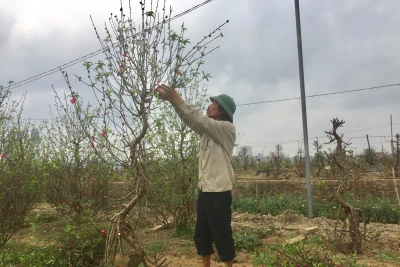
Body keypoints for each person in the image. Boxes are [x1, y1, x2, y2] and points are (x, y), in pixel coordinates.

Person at [157, 84, 236, 267]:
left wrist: (177, 98)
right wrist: (173, 102)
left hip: (219, 191)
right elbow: (191, 120)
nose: (209, 106)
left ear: (222, 111)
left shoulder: (225, 129)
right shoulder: (209, 133)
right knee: (203, 233)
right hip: (205, 189)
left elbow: (200, 120)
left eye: (213, 104)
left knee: (222, 233)